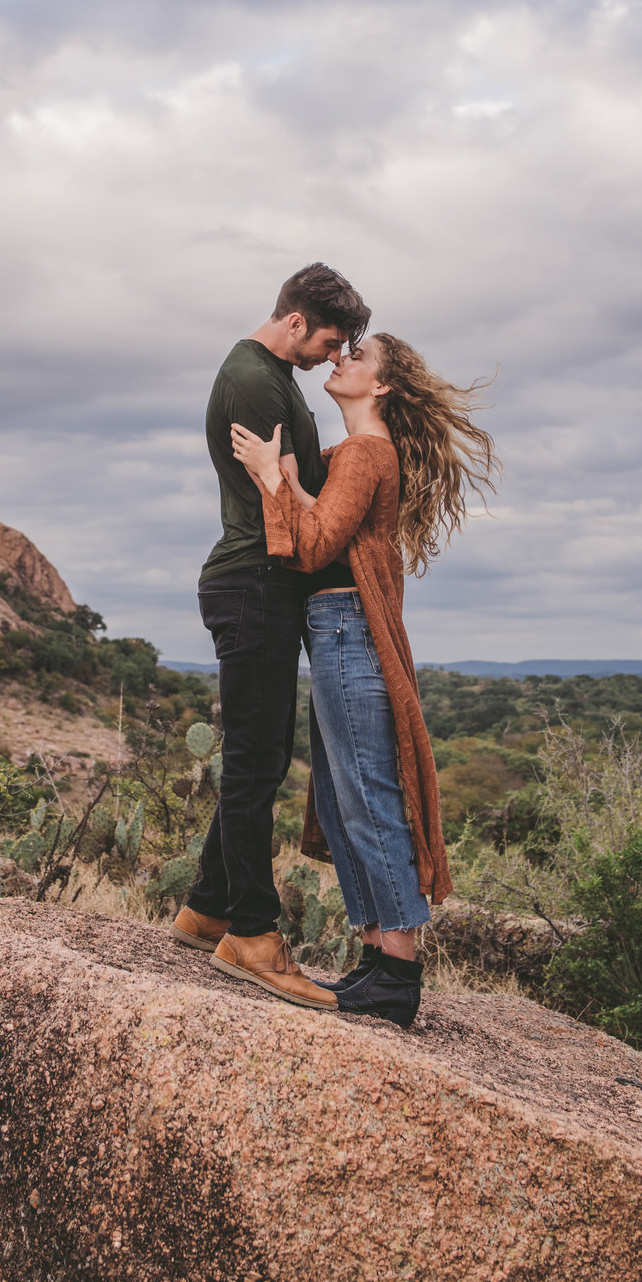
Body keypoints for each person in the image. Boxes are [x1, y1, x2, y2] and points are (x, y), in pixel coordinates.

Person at [228, 332, 497, 1028]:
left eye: (358, 357)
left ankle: (397, 972)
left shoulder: (367, 452)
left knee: (369, 799)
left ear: (380, 386)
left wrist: (269, 474)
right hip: (337, 630)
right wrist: (287, 472)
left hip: (347, 628)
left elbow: (314, 543)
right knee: (350, 799)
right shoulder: (351, 453)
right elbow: (319, 518)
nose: (340, 360)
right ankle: (379, 959)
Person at [171, 262, 371, 1011]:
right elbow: (286, 496)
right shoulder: (254, 379)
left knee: (260, 758)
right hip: (252, 580)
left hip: (264, 581)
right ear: (295, 322)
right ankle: (252, 935)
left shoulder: (277, 375)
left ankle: (208, 906)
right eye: (327, 341)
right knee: (255, 765)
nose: (331, 356)